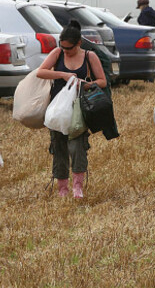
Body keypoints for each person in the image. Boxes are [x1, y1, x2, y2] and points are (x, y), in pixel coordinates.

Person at [36, 20, 107, 198]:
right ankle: (62, 188)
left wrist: (84, 85)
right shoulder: (58, 53)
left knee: (77, 147)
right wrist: (62, 74)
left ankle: (77, 187)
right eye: (63, 47)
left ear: (79, 43)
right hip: (58, 108)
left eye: (70, 48)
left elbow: (102, 81)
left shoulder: (90, 56)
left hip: (79, 109)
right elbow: (40, 72)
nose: (66, 51)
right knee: (58, 146)